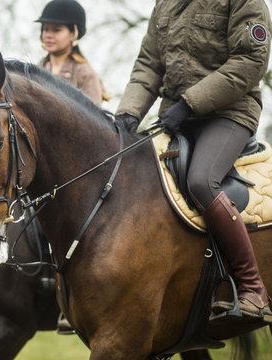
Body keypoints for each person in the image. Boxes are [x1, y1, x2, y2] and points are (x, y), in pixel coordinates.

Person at [115, 0, 272, 323]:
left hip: (229, 113)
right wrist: (128, 114)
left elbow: (250, 60)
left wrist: (189, 104)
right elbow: (149, 64)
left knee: (201, 180)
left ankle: (252, 287)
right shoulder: (165, 4)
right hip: (178, 116)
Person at [35, 0, 110, 106]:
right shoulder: (35, 70)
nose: (48, 35)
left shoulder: (85, 74)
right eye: (45, 29)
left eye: (56, 30)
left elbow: (92, 119)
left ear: (73, 33)